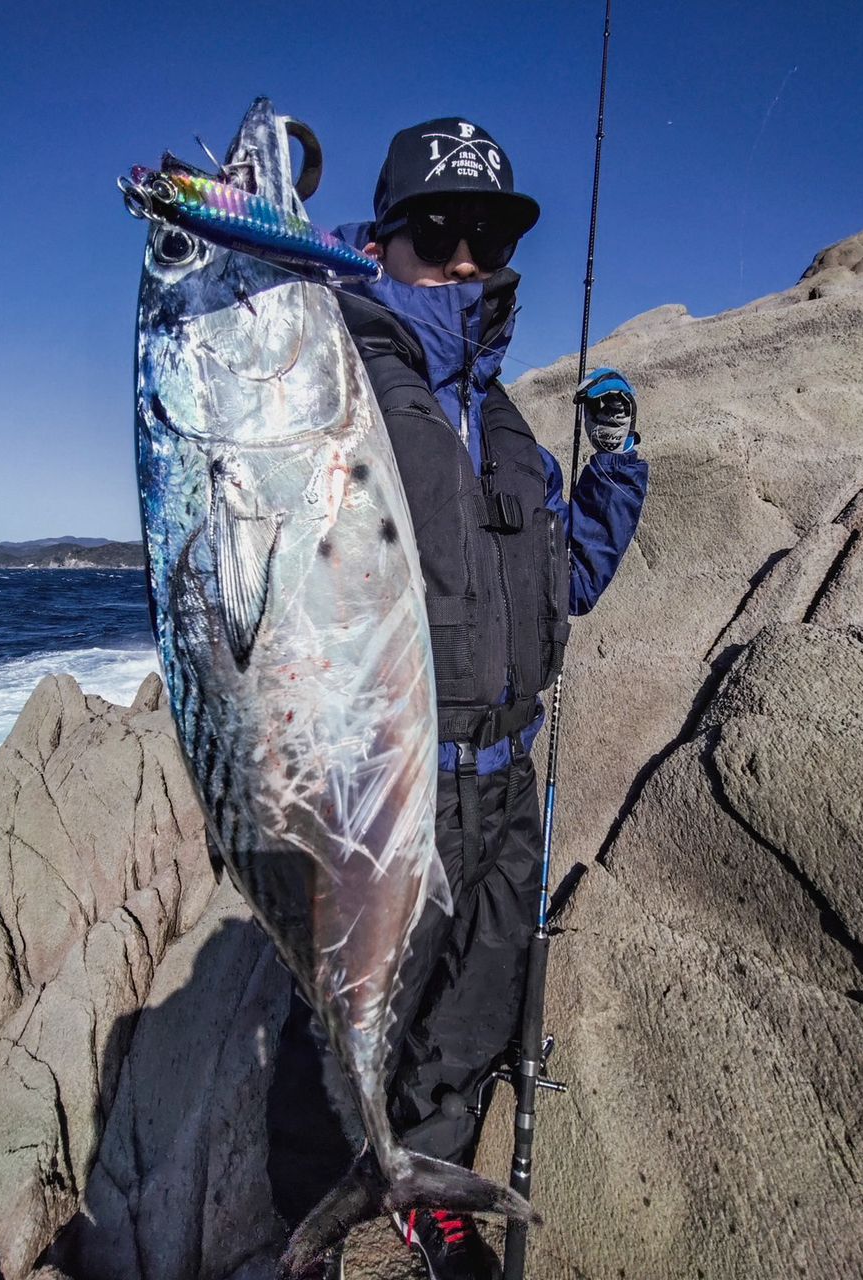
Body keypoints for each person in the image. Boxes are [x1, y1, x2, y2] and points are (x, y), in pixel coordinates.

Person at [267, 117, 648, 1280]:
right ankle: (308, 1223)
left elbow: (558, 583)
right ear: (383, 242)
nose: (468, 257)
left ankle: (422, 1183)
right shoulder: (346, 392)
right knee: (336, 1025)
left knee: (476, 1004)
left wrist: (616, 472)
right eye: (439, 231)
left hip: (509, 792)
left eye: (487, 231)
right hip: (393, 786)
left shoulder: (517, 429)